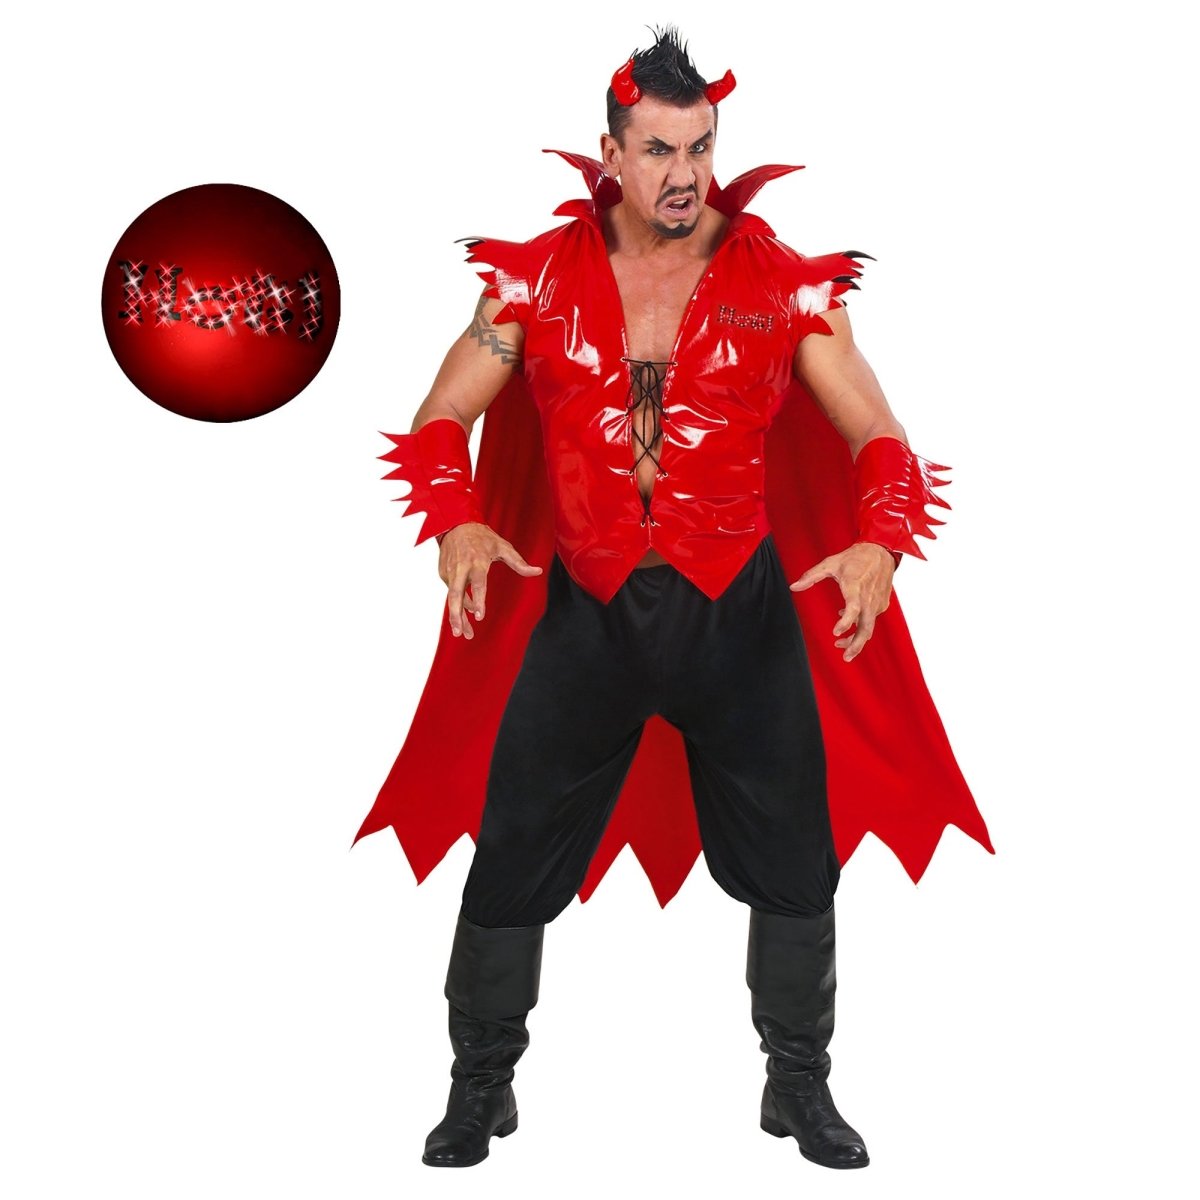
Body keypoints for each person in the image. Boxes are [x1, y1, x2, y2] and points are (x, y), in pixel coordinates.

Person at [352, 24, 993, 1172]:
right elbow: (442, 413)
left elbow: (877, 431)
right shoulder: (531, 282)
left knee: (796, 862)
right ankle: (479, 1088)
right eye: (658, 149)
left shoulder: (788, 287)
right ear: (612, 155)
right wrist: (455, 518)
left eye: (700, 146)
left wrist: (880, 544)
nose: (684, 172)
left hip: (736, 615)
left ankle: (798, 1086)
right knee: (510, 854)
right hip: (589, 612)